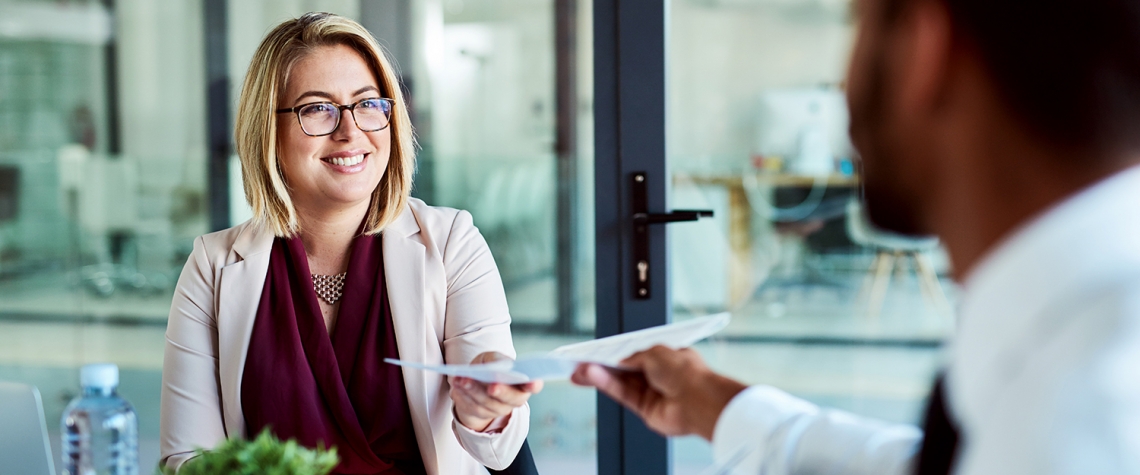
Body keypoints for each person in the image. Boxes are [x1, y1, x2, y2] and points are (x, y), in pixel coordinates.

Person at [574, 0, 1140, 473]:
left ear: (923, 50)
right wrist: (721, 408)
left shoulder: (1087, 415)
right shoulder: (1079, 368)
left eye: (857, 25)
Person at [159, 13, 540, 474]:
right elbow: (190, 461)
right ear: (269, 132)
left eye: (368, 104)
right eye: (317, 108)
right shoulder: (213, 266)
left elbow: (501, 451)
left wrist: (485, 409)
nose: (350, 131)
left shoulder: (453, 243)